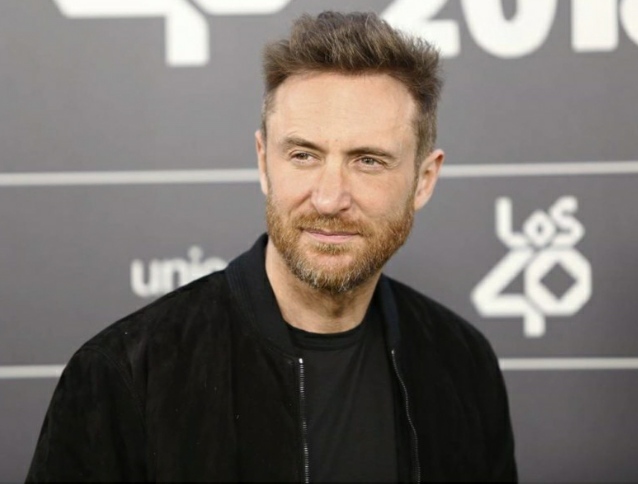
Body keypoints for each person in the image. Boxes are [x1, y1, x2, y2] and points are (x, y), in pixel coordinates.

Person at [27, 11, 517, 483]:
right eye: (303, 155)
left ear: (424, 179)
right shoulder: (125, 373)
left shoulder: (462, 364)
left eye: (368, 161)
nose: (329, 198)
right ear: (264, 162)